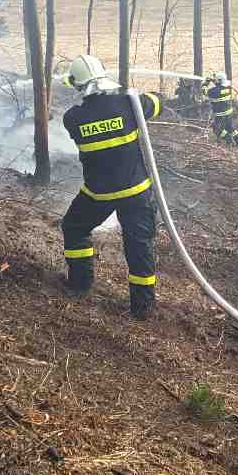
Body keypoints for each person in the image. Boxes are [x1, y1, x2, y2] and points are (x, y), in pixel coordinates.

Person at [61, 54, 162, 320]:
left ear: (78, 84)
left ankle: (80, 283)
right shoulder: (130, 105)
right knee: (139, 246)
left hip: (98, 194)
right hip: (136, 191)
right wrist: (137, 95)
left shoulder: (73, 118)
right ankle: (142, 307)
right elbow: (157, 102)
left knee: (74, 227)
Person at [202, 71, 238, 147]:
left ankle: (228, 139)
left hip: (221, 114)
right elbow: (220, 87)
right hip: (229, 113)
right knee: (229, 127)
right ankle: (237, 140)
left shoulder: (214, 91)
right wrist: (214, 80)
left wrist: (206, 83)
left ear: (218, 81)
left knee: (217, 129)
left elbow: (204, 91)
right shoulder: (228, 88)